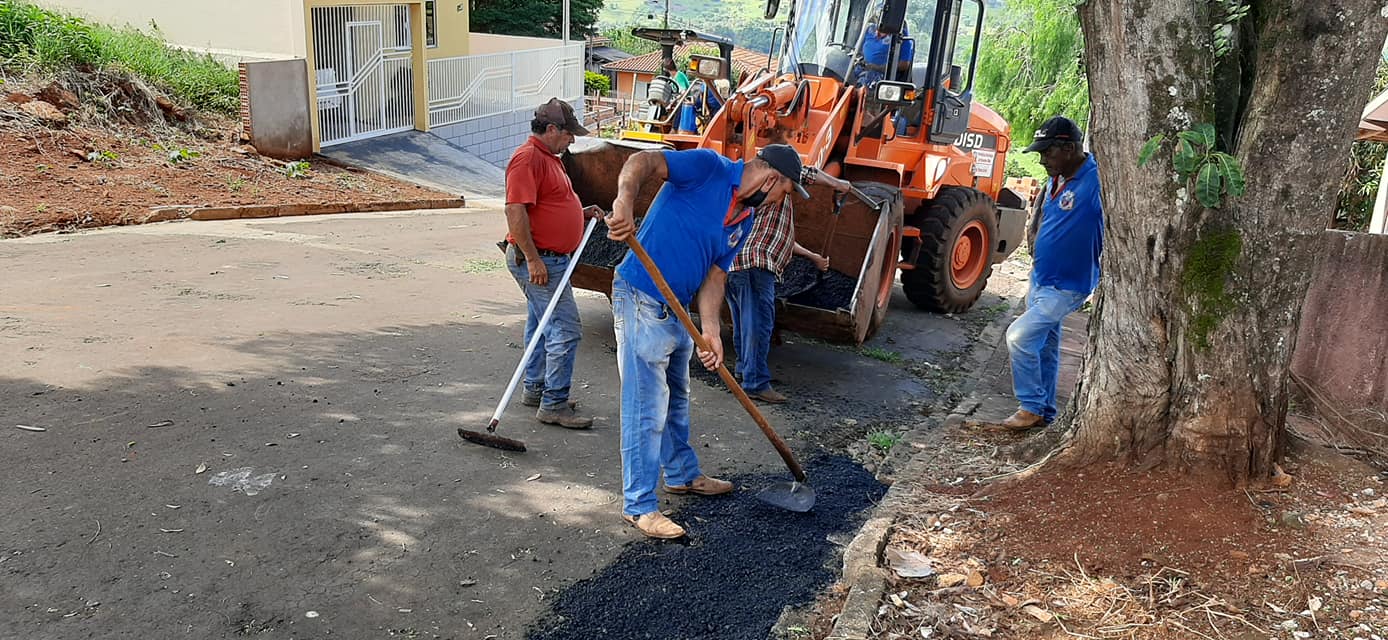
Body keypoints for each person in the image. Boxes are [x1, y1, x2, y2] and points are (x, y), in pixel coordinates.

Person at [604, 144, 813, 539]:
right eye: (785, 192)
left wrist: (712, 331)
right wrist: (624, 201)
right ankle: (639, 506)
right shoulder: (707, 168)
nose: (781, 201)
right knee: (646, 406)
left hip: (679, 306)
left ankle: (682, 475)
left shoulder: (745, 217)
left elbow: (716, 275)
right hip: (640, 295)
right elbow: (642, 162)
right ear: (771, 179)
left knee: (677, 398)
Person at [502, 98, 603, 429]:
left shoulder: (550, 158)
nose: (572, 140)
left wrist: (581, 212)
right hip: (540, 259)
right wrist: (533, 260)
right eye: (568, 134)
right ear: (550, 130)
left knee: (541, 325)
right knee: (567, 327)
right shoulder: (527, 159)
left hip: (549, 258)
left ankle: (535, 389)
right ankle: (554, 403)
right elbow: (515, 211)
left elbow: (552, 202)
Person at [998, 116, 1104, 430]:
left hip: (1068, 285)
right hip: (1041, 278)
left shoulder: (1097, 179)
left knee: (1018, 337)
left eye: (1048, 152)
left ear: (1070, 148)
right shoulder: (1056, 177)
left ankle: (1029, 405)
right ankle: (1044, 412)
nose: (1043, 160)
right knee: (1044, 345)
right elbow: (1044, 213)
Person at [726, 169, 851, 404]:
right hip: (755, 265)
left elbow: (784, 239)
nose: (791, 191)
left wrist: (813, 256)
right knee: (759, 324)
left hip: (737, 266)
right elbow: (806, 172)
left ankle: (744, 371)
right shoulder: (772, 183)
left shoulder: (769, 203)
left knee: (745, 323)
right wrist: (838, 183)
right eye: (791, 186)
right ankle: (755, 383)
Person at [851, 21, 914, 86]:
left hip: (882, 79)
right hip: (863, 70)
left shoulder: (903, 39)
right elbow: (857, 52)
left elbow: (904, 65)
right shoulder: (870, 29)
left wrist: (877, 67)